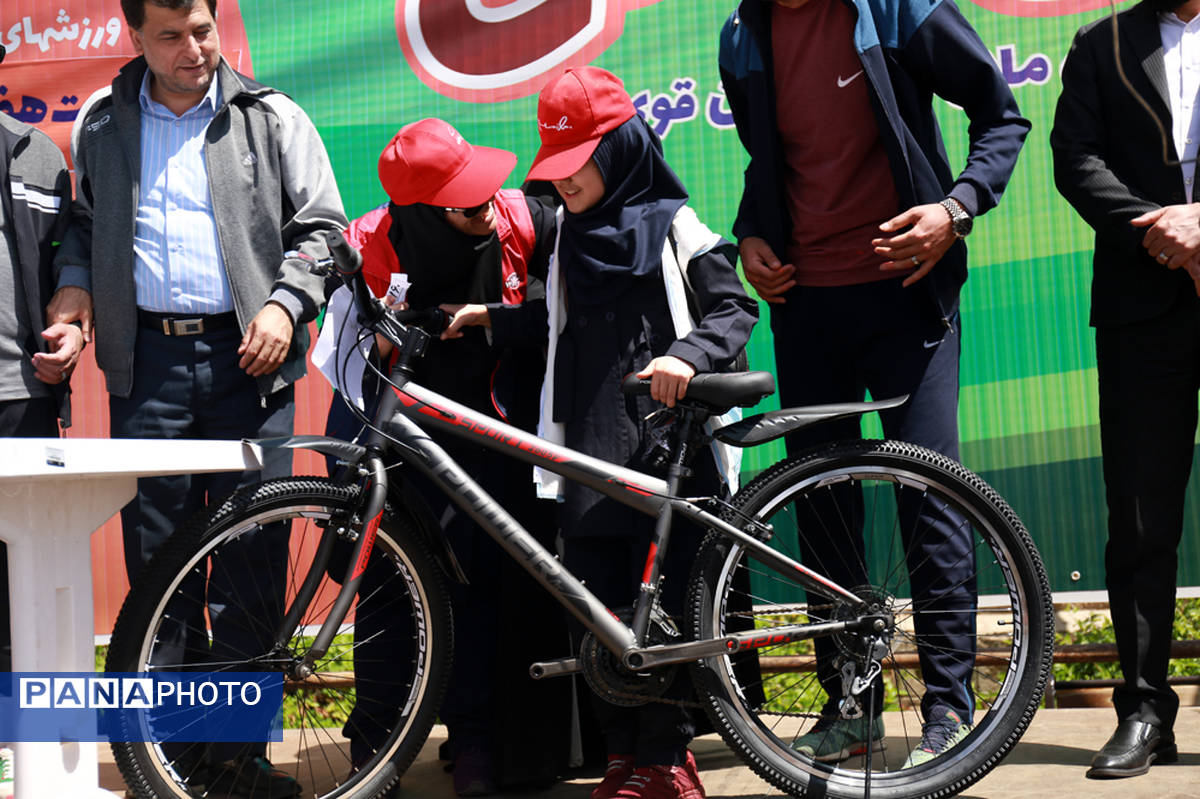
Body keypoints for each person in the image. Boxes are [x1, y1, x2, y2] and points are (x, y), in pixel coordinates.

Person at [46, 1, 347, 795]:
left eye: (203, 30)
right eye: (172, 36)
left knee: (252, 560)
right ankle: (169, 761)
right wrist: (75, 300)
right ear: (135, 38)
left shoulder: (272, 116)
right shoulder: (102, 125)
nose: (194, 50)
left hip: (250, 362)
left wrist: (285, 303)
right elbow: (81, 229)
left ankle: (236, 758)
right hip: (144, 363)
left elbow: (325, 230)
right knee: (161, 567)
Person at [719, 0, 1029, 767]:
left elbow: (1001, 115)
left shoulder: (897, 7)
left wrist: (954, 210)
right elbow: (768, 162)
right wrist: (752, 233)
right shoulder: (740, 34)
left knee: (931, 495)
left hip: (907, 296)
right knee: (823, 506)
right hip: (805, 303)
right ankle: (849, 704)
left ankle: (949, 708)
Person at [452, 65, 758, 799]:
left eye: (576, 164)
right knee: (602, 613)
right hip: (587, 450)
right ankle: (624, 754)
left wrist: (684, 357)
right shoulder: (566, 241)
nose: (562, 183)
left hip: (666, 453)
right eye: (553, 169)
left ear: (621, 148)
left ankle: (668, 758)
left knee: (670, 608)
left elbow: (732, 310)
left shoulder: (676, 225)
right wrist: (492, 317)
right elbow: (554, 324)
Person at [319, 117, 570, 796]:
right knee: (386, 587)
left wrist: (491, 316)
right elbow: (339, 361)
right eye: (466, 202)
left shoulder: (522, 219)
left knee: (483, 585)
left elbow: (578, 307)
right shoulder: (367, 245)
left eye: (487, 189)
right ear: (419, 214)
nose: (487, 205)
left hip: (497, 430)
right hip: (399, 432)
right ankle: (376, 746)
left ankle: (477, 740)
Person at [1051, 0, 1200, 779]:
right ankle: (1144, 711)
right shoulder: (1101, 41)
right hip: (1143, 305)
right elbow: (1074, 158)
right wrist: (1162, 229)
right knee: (1140, 516)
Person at [0, 41, 78, 799]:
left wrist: (71, 329)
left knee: (23, 591)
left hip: (21, 400)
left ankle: (25, 757)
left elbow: (67, 269)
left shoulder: (38, 155)